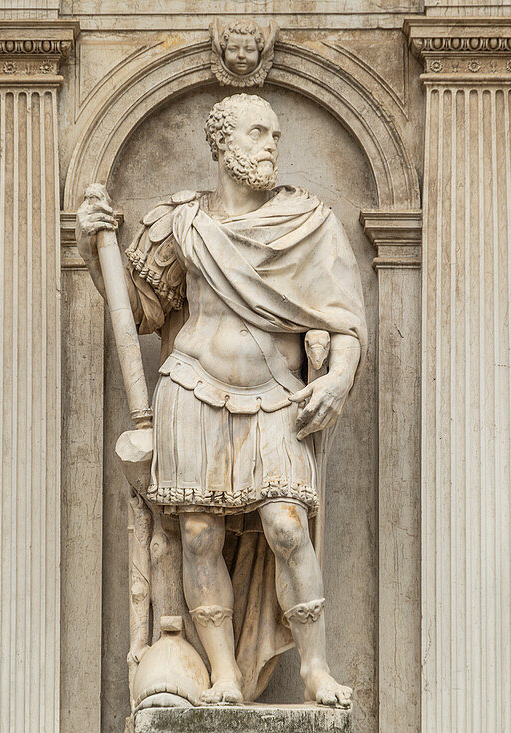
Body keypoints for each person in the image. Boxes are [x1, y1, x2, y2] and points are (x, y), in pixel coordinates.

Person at [77, 93, 365, 708]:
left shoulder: (309, 223)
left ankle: (315, 668)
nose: (270, 146)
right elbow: (142, 313)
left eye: (276, 135)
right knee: (201, 535)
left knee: (287, 526)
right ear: (222, 143)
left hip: (276, 399)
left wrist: (337, 380)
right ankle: (224, 674)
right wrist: (90, 246)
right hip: (191, 389)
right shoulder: (180, 223)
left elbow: (343, 320)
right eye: (257, 133)